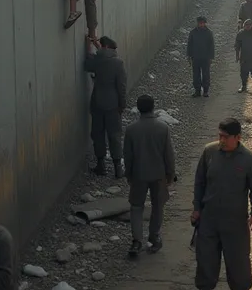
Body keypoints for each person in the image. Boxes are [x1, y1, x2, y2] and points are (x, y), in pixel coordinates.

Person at [190, 118, 252, 290]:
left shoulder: (248, 159)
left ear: (237, 137)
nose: (221, 140)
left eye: (225, 137)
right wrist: (197, 208)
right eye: (219, 136)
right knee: (205, 259)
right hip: (209, 219)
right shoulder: (209, 152)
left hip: (236, 222)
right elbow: (199, 183)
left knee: (238, 261)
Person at [124, 94, 175, 257]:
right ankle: (154, 236)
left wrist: (129, 174)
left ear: (138, 109)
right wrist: (170, 174)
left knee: (136, 207)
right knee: (157, 206)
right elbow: (169, 154)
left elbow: (128, 155)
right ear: (153, 107)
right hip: (159, 174)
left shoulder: (131, 129)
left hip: (138, 174)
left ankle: (137, 240)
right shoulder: (163, 128)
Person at [85, 36, 127, 178]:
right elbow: (121, 86)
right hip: (113, 104)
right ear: (110, 48)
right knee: (114, 134)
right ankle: (118, 168)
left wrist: (89, 47)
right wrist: (122, 104)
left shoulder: (97, 61)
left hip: (97, 103)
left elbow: (87, 65)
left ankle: (101, 165)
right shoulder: (118, 63)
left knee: (98, 134)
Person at [187, 16, 215, 98]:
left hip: (205, 58)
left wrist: (211, 57)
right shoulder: (193, 32)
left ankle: (205, 91)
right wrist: (189, 56)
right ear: (197, 23)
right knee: (196, 75)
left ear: (205, 23)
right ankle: (197, 91)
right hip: (195, 57)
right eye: (200, 23)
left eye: (202, 23)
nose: (201, 24)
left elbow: (211, 46)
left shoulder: (209, 32)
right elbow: (189, 45)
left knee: (206, 74)